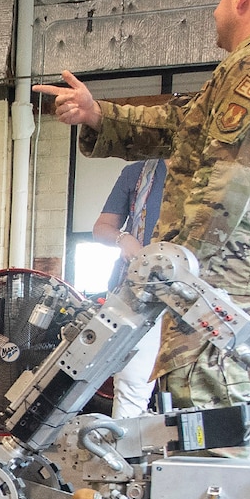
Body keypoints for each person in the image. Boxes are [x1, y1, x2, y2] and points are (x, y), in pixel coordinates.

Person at [35, 0, 250, 455]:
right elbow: (181, 125)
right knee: (248, 436)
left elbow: (224, 192)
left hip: (227, 292)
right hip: (245, 289)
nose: (215, 12)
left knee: (224, 445)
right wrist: (98, 114)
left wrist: (173, 275)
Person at [91, 158, 169, 418]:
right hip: (139, 292)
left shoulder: (215, 172)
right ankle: (126, 454)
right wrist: (123, 239)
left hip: (196, 292)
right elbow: (101, 228)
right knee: (132, 384)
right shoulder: (138, 174)